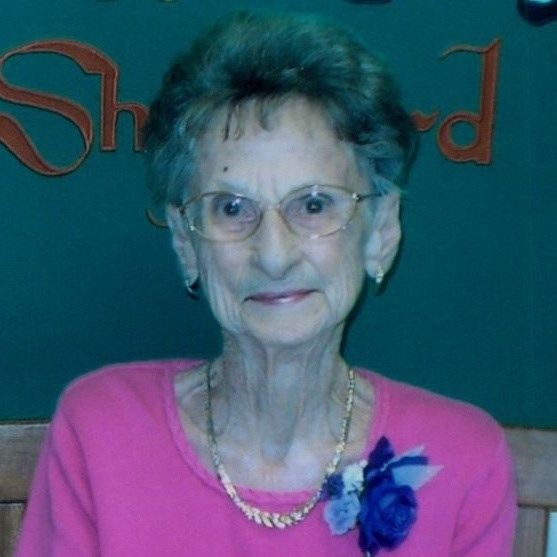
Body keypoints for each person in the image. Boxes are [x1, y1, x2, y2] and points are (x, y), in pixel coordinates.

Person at [16, 11, 516, 557]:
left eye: (314, 205)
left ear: (381, 231)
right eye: (232, 208)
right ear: (186, 242)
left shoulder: (464, 460)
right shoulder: (100, 433)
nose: (274, 255)